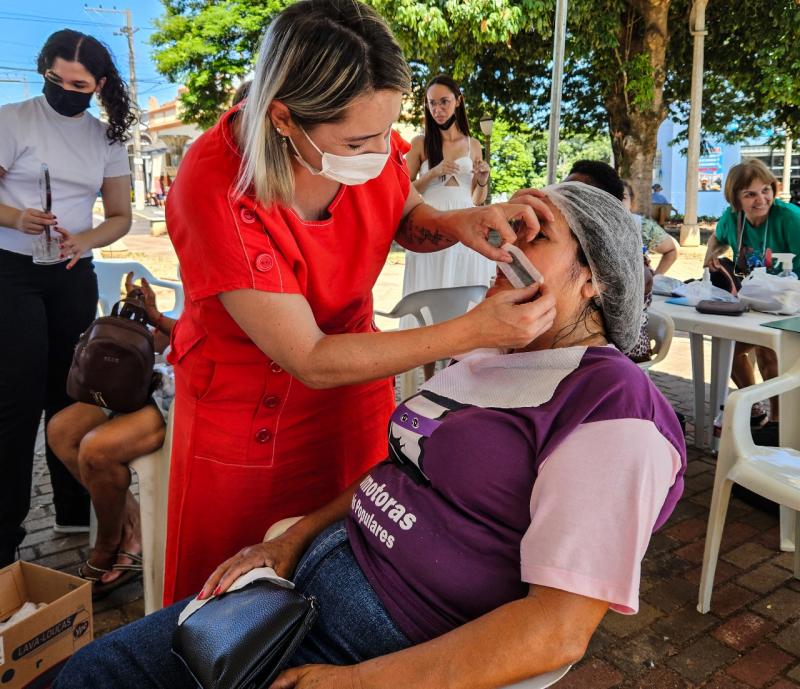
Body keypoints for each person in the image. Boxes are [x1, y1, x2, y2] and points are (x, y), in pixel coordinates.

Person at [55, 181, 686, 689]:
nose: (502, 251)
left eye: (535, 237)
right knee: (90, 672)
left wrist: (358, 682)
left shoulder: (612, 405)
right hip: (302, 585)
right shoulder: (491, 355)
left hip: (389, 640)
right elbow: (400, 466)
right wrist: (294, 538)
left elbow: (555, 630)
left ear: (593, 278)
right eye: (507, 231)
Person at [160, 0, 557, 605]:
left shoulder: (365, 145)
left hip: (355, 395)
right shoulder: (215, 185)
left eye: (388, 128)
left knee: (349, 570)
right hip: (251, 415)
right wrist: (474, 331)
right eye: (361, 138)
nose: (382, 149)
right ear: (284, 119)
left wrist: (461, 223)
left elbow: (404, 213)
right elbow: (311, 358)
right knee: (232, 602)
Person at [0, 29, 134, 567]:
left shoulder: (106, 137)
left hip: (72, 271)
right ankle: (6, 534)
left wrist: (87, 239)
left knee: (73, 395)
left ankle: (73, 511)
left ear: (98, 85)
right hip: (11, 270)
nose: (64, 90)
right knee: (16, 401)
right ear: (44, 72)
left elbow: (120, 216)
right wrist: (16, 216)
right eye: (55, 79)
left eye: (78, 84)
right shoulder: (13, 120)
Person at [47, 273, 175, 596]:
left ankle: (108, 544)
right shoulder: (204, 256)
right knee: (60, 432)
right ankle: (132, 521)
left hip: (184, 390)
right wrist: (142, 325)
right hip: (156, 376)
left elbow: (207, 333)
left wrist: (158, 320)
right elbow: (171, 339)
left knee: (95, 450)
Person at [704, 159, 800, 425]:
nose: (761, 199)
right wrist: (711, 255)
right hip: (753, 300)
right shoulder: (732, 219)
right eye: (750, 194)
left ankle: (778, 422)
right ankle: (754, 408)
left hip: (790, 303)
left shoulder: (790, 218)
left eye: (765, 190)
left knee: (768, 351)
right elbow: (718, 238)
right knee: (730, 349)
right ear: (736, 199)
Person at [402, 75, 495, 299]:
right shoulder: (419, 143)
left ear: (458, 101)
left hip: (465, 223)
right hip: (430, 224)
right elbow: (403, 190)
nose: (437, 109)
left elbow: (477, 199)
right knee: (429, 289)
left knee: (464, 287)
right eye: (432, 103)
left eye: (444, 101)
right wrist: (435, 172)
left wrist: (483, 178)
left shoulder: (473, 144)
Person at [622, 180, 679, 276]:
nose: (616, 201)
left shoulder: (641, 226)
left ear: (631, 202)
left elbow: (673, 248)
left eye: (622, 197)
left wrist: (655, 279)